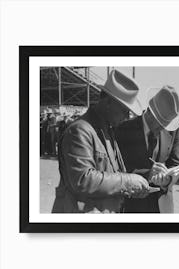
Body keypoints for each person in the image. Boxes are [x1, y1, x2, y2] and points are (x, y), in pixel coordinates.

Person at [52, 69, 150, 214]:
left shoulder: (107, 130)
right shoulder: (80, 130)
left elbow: (114, 174)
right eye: (124, 110)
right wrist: (127, 181)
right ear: (108, 102)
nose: (127, 116)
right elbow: (83, 180)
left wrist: (136, 184)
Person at [116, 86, 179, 213]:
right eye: (160, 124)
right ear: (150, 113)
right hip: (132, 207)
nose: (163, 129)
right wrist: (147, 175)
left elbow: (176, 164)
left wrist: (167, 179)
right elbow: (117, 168)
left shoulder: (174, 131)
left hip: (161, 207)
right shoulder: (123, 130)